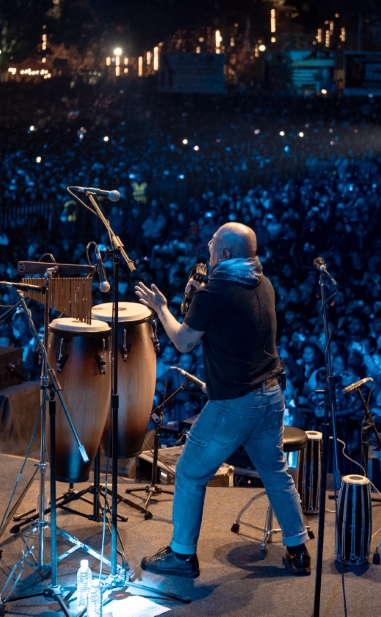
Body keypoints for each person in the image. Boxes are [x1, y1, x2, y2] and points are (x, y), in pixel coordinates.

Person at [134, 222, 311, 577]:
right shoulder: (263, 282)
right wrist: (198, 298)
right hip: (271, 397)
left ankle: (182, 556)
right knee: (276, 473)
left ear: (225, 254)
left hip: (235, 403)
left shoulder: (215, 292)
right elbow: (229, 320)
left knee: (189, 471)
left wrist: (161, 307)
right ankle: (298, 550)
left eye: (213, 242)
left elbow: (184, 342)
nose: (208, 245)